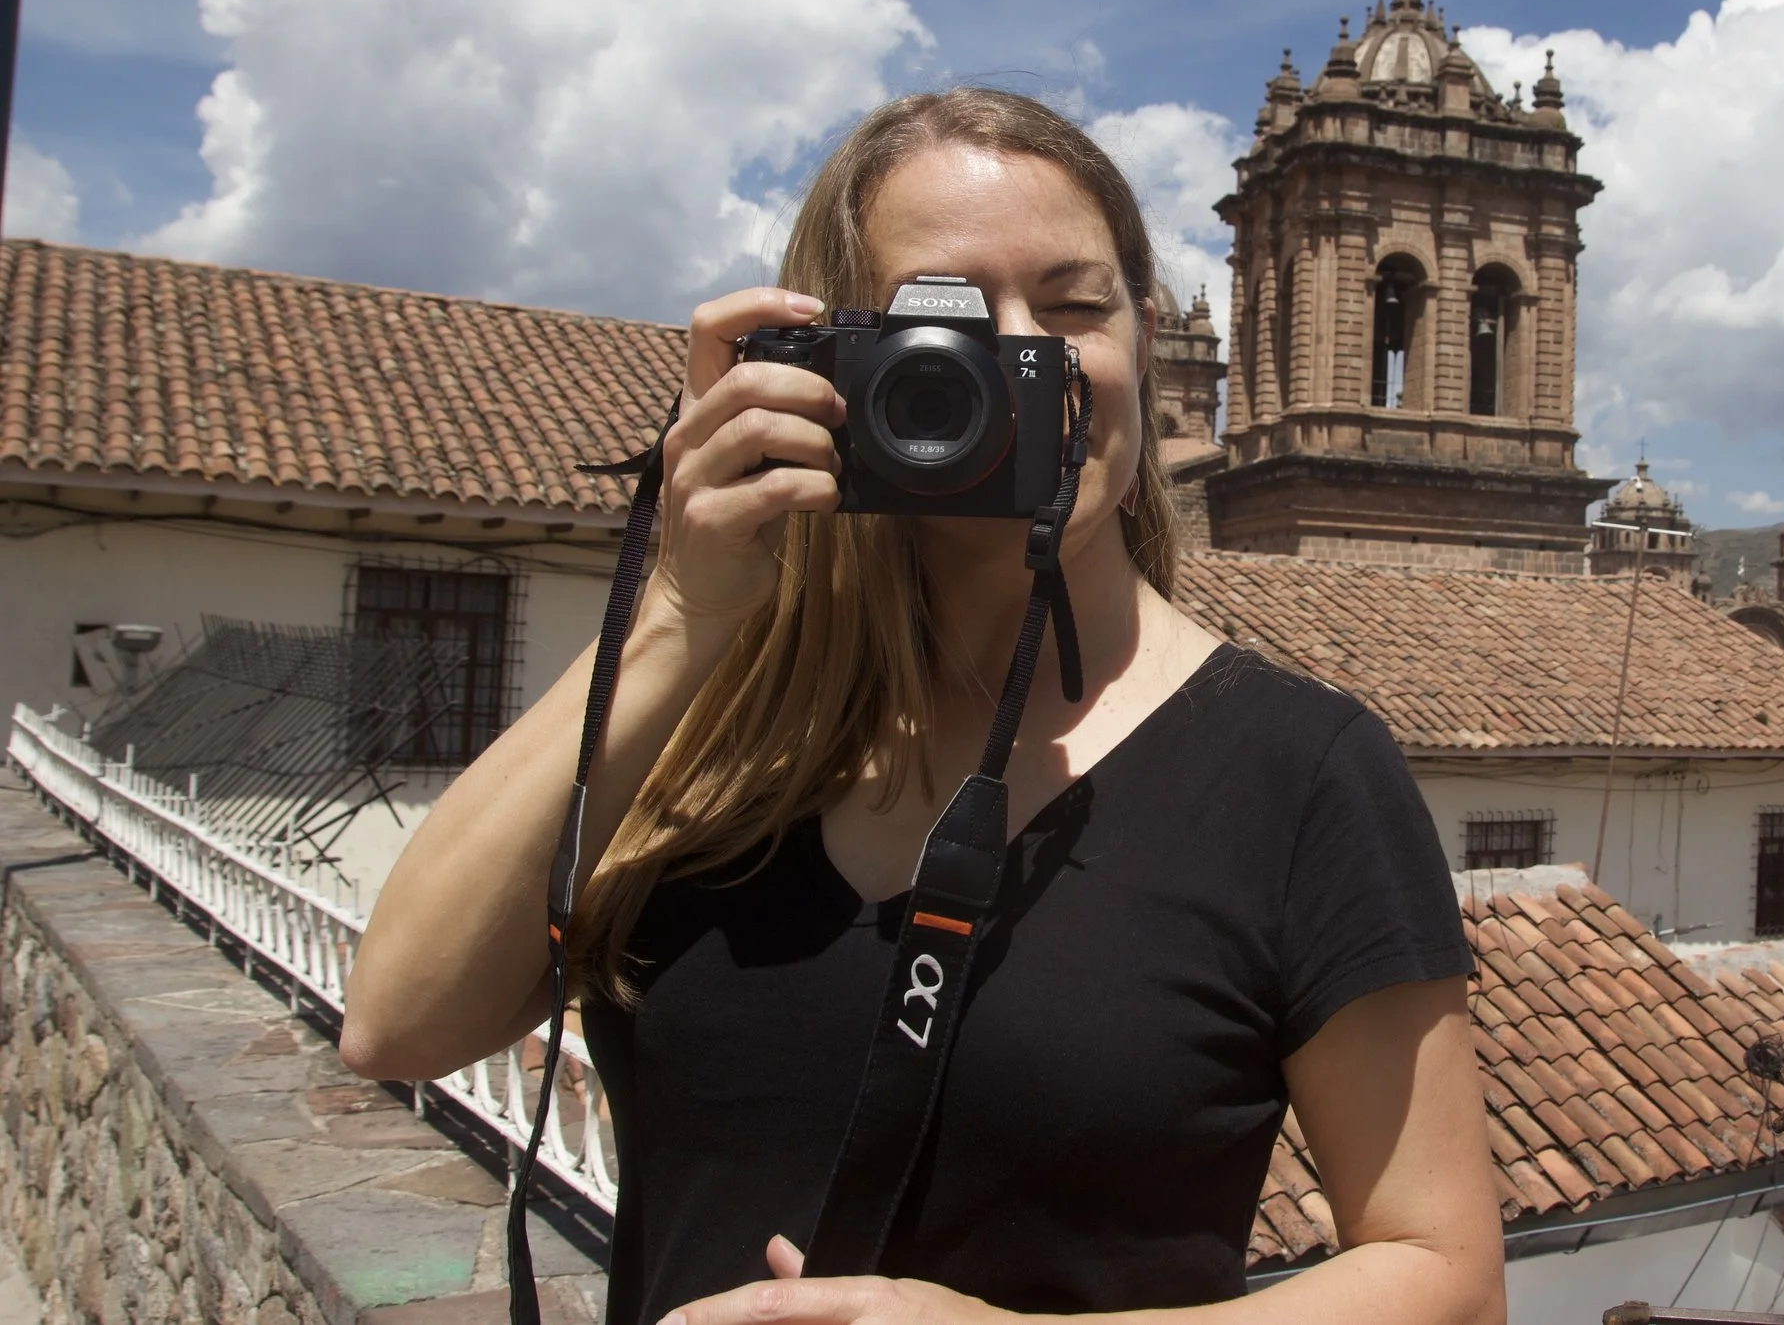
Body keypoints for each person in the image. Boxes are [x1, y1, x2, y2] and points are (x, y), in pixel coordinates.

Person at [341, 89, 1504, 1325]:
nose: (1024, 356)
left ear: (1146, 340)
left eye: (1073, 306)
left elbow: (1448, 1279)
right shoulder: (708, 715)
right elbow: (397, 1027)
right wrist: (681, 607)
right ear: (833, 363)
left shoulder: (1299, 772)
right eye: (945, 318)